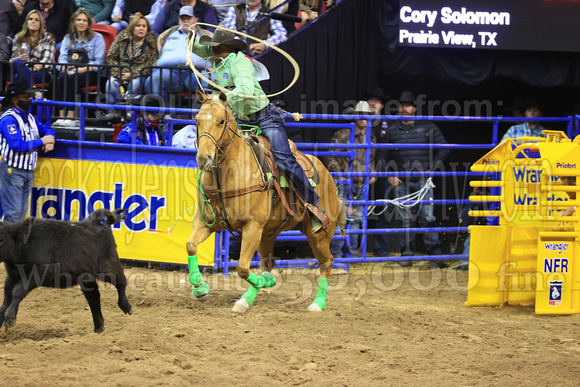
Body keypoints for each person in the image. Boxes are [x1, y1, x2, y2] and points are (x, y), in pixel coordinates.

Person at [190, 28, 329, 232]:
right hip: (239, 119)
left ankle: (313, 206)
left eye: (216, 48)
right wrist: (190, 34)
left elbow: (245, 90)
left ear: (227, 48)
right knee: (221, 154)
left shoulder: (240, 62)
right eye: (212, 48)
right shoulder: (218, 59)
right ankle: (226, 207)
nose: (212, 52)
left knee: (283, 158)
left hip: (265, 117)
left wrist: (222, 99)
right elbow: (198, 49)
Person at [376, 91, 449, 261]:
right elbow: (381, 155)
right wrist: (389, 175)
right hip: (402, 181)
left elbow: (444, 148)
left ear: (414, 108)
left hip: (423, 181)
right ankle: (407, 256)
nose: (404, 108)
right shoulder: (393, 131)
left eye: (407, 105)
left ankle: (435, 257)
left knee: (428, 218)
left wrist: (432, 168)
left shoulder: (428, 127)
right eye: (402, 105)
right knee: (405, 221)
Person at [324, 100, 376, 257]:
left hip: (361, 182)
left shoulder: (371, 137)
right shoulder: (343, 134)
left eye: (367, 116)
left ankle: (351, 254)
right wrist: (340, 176)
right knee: (343, 218)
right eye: (361, 115)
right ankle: (337, 254)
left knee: (356, 219)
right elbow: (330, 156)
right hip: (345, 183)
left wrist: (372, 173)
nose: (363, 118)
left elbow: (372, 158)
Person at [0, 81, 56, 222]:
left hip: (28, 171)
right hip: (12, 171)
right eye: (25, 97)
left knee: (21, 214)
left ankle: (15, 243)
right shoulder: (8, 119)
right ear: (14, 99)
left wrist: (51, 140)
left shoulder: (30, 118)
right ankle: (6, 244)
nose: (28, 100)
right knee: (13, 213)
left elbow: (48, 130)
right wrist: (42, 141)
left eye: (29, 97)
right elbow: (17, 145)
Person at [53, 8, 105, 127]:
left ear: (88, 23)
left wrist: (81, 69)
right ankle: (61, 116)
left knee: (72, 78)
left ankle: (71, 117)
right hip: (70, 70)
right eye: (78, 20)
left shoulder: (98, 38)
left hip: (90, 73)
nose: (81, 23)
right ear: (74, 22)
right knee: (62, 76)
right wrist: (64, 68)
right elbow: (62, 58)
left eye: (84, 20)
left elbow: (99, 62)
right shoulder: (67, 38)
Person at [144, 6, 202, 104]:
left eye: (189, 18)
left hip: (196, 73)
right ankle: (161, 116)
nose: (185, 21)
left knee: (212, 81)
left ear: (195, 20)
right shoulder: (168, 35)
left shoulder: (205, 35)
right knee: (154, 79)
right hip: (172, 72)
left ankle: (205, 117)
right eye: (183, 19)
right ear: (179, 20)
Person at [106, 15, 159, 103]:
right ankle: (112, 113)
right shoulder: (122, 37)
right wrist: (118, 72)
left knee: (134, 84)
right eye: (138, 26)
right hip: (121, 72)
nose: (141, 28)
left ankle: (129, 113)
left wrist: (132, 74)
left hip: (140, 75)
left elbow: (151, 62)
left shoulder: (151, 40)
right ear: (132, 27)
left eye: (144, 26)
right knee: (110, 84)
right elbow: (111, 56)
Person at [221, 0, 287, 56]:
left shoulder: (269, 12)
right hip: (236, 55)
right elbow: (228, 33)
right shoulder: (234, 10)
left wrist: (265, 44)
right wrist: (242, 46)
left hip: (259, 57)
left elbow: (282, 34)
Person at [10, 9, 56, 88]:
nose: (33, 21)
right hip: (22, 69)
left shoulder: (48, 38)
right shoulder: (19, 37)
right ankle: (35, 91)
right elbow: (11, 61)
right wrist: (18, 58)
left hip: (41, 72)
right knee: (17, 61)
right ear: (26, 22)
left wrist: (34, 68)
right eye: (30, 19)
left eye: (36, 20)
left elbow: (48, 61)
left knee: (18, 77)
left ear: (40, 24)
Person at [152, 0, 217, 36]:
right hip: (172, 43)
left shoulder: (205, 9)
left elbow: (212, 32)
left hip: (197, 45)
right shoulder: (169, 7)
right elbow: (156, 30)